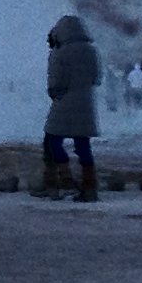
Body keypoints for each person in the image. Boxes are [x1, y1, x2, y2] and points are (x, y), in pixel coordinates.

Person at [43, 14, 103, 203]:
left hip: (64, 103)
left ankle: (62, 180)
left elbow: (56, 81)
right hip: (86, 104)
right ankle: (89, 186)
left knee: (52, 141)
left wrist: (55, 94)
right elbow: (96, 78)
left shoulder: (60, 53)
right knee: (83, 145)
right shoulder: (91, 51)